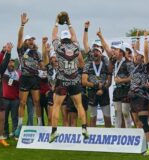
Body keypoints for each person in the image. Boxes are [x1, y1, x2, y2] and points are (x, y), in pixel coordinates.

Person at [49, 12, 88, 142]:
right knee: (79, 105)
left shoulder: (58, 46)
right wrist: (69, 23)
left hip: (62, 80)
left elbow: (53, 35)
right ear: (70, 38)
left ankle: (54, 131)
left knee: (56, 106)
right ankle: (84, 128)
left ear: (62, 39)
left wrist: (56, 21)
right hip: (74, 80)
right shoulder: (76, 47)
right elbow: (75, 36)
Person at [14, 13, 45, 138]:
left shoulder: (37, 53)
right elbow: (19, 37)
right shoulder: (21, 50)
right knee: (22, 103)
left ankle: (39, 124)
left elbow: (43, 66)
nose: (31, 41)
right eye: (29, 39)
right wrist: (22, 24)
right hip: (25, 78)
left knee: (37, 102)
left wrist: (46, 54)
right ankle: (20, 126)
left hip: (34, 78)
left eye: (33, 39)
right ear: (25, 42)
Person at [97, 28, 134, 128]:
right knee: (117, 112)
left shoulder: (128, 63)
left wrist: (122, 80)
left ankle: (129, 134)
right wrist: (100, 37)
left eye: (116, 50)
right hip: (117, 90)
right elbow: (107, 48)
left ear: (121, 52)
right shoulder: (113, 60)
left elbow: (134, 77)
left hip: (126, 89)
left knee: (126, 113)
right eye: (114, 49)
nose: (114, 51)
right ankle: (118, 133)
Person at [128, 31, 149, 156]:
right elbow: (135, 51)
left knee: (144, 122)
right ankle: (141, 145)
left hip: (142, 97)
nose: (135, 56)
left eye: (138, 55)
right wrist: (137, 38)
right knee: (137, 123)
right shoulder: (133, 66)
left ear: (142, 58)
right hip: (132, 96)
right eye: (135, 55)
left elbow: (146, 52)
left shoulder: (145, 66)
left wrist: (145, 38)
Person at [82, 21, 112, 127]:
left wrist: (102, 88)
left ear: (101, 51)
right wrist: (86, 29)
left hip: (104, 92)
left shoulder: (106, 61)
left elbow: (109, 79)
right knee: (92, 117)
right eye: (93, 49)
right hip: (92, 93)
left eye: (97, 50)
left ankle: (108, 138)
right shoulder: (89, 61)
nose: (94, 52)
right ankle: (92, 140)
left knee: (107, 117)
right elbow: (85, 43)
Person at [0, 46, 21, 139]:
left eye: (12, 62)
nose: (11, 64)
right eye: (10, 62)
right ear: (7, 64)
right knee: (5, 118)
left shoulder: (18, 73)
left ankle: (15, 133)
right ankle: (5, 134)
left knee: (15, 118)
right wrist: (3, 52)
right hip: (5, 99)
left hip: (15, 100)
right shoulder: (4, 72)